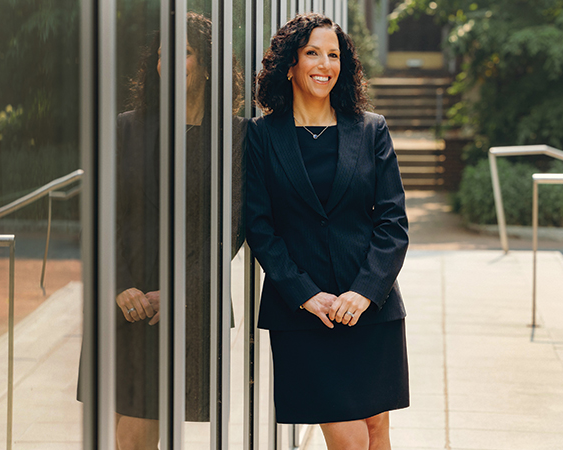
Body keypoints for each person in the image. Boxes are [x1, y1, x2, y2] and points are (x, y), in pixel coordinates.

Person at [76, 12, 246, 450]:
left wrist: (176, 293)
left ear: (207, 64)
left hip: (187, 301)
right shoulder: (125, 127)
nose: (167, 62)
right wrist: (120, 286)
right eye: (161, 54)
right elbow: (99, 212)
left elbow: (232, 228)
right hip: (123, 301)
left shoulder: (235, 137)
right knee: (124, 429)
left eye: (183, 53)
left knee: (136, 431)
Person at [246, 13, 409, 450]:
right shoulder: (262, 136)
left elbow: (392, 222)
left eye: (333, 54)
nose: (324, 64)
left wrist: (364, 291)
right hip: (303, 314)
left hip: (370, 309)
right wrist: (303, 293)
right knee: (351, 438)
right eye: (312, 53)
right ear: (290, 64)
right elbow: (260, 228)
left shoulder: (371, 129)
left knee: (376, 430)